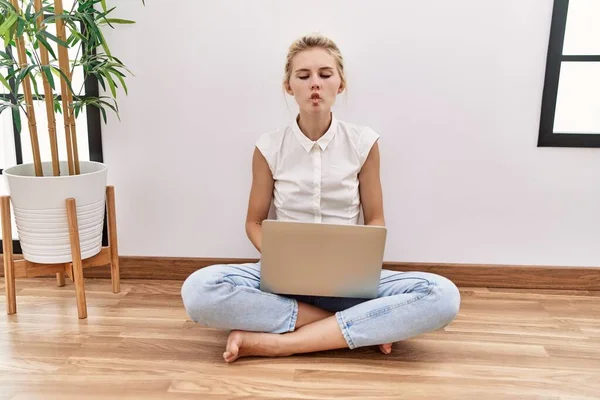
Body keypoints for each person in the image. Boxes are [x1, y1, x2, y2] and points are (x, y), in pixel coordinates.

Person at [181, 33, 461, 363]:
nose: (315, 84)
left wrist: (359, 261)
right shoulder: (268, 147)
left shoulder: (363, 143)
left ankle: (280, 343)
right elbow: (254, 222)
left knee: (443, 296)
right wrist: (281, 258)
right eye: (304, 76)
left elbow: (376, 219)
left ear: (340, 83)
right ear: (289, 86)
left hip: (349, 283)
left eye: (325, 74)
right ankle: (359, 327)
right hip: (283, 280)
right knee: (198, 290)